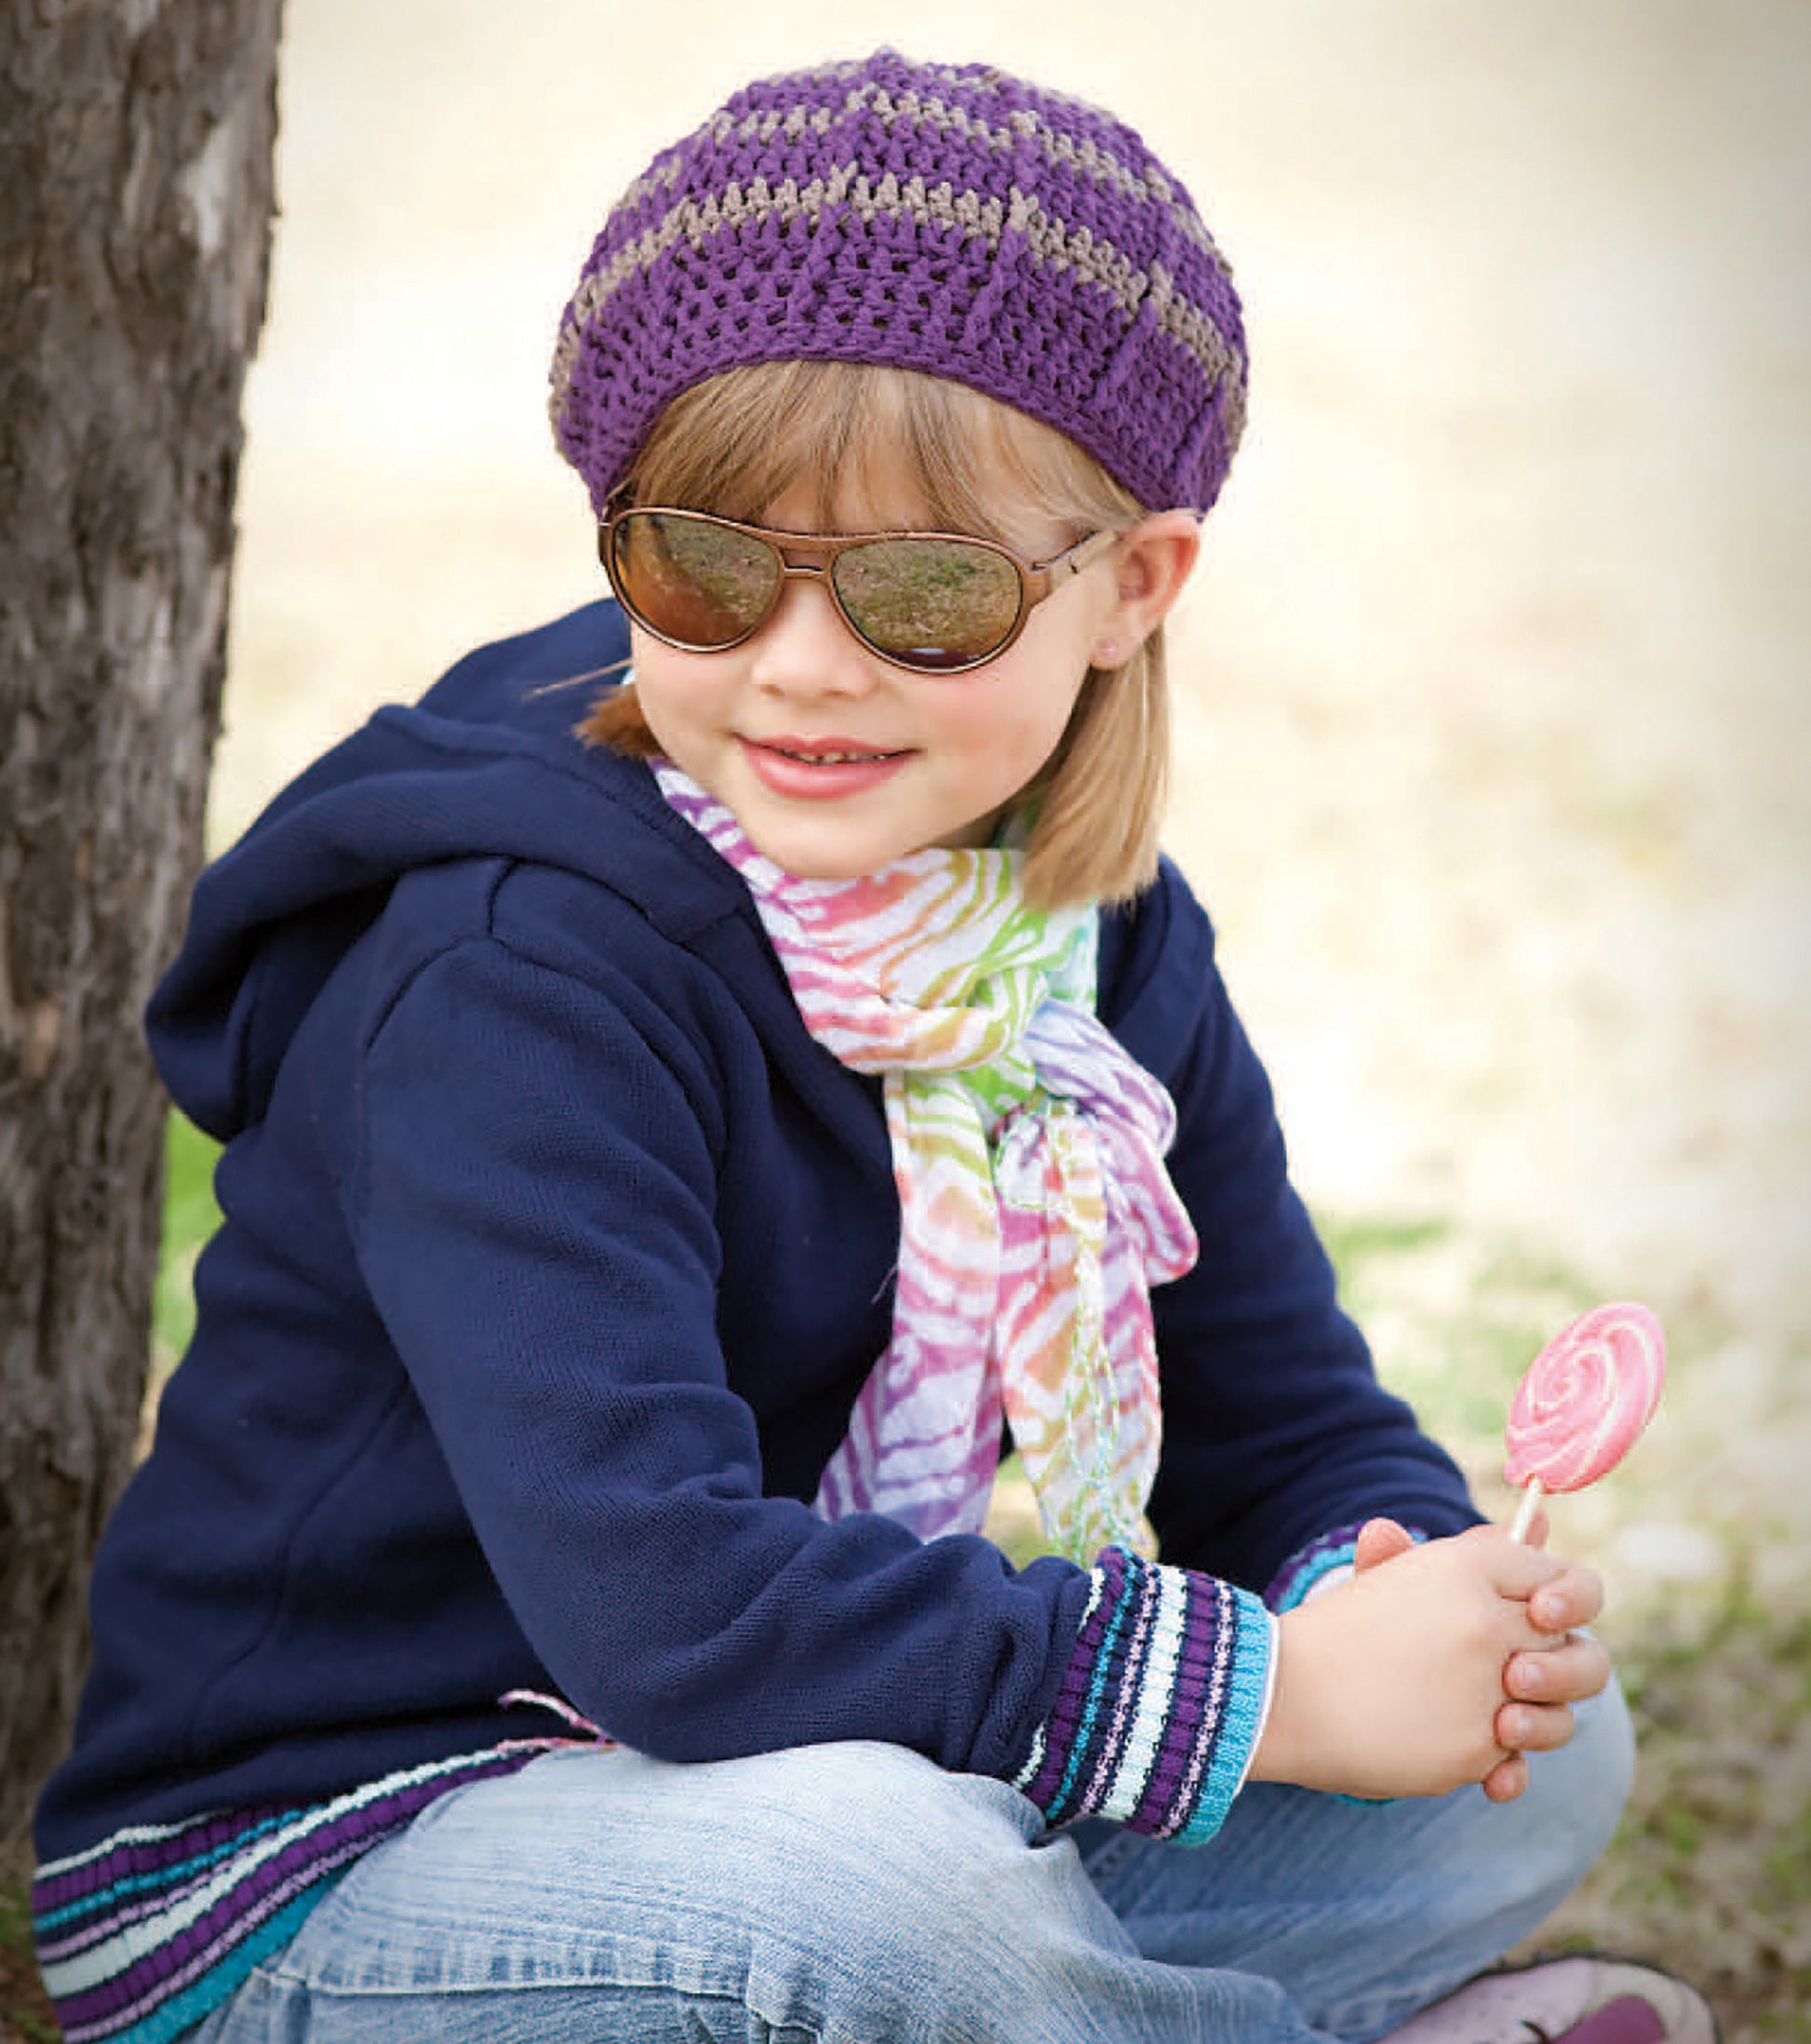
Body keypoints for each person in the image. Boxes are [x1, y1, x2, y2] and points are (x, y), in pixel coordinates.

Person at [33, 49, 1715, 2044]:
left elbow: (1279, 1419)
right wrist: (1265, 1694)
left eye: (925, 592)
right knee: (897, 1889)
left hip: (771, 1784)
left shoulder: (1090, 949)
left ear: (1131, 589)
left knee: (1551, 1740)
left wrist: (1405, 1585)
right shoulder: (513, 971)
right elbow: (667, 1611)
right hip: (320, 1859)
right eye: (704, 567)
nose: (802, 664)